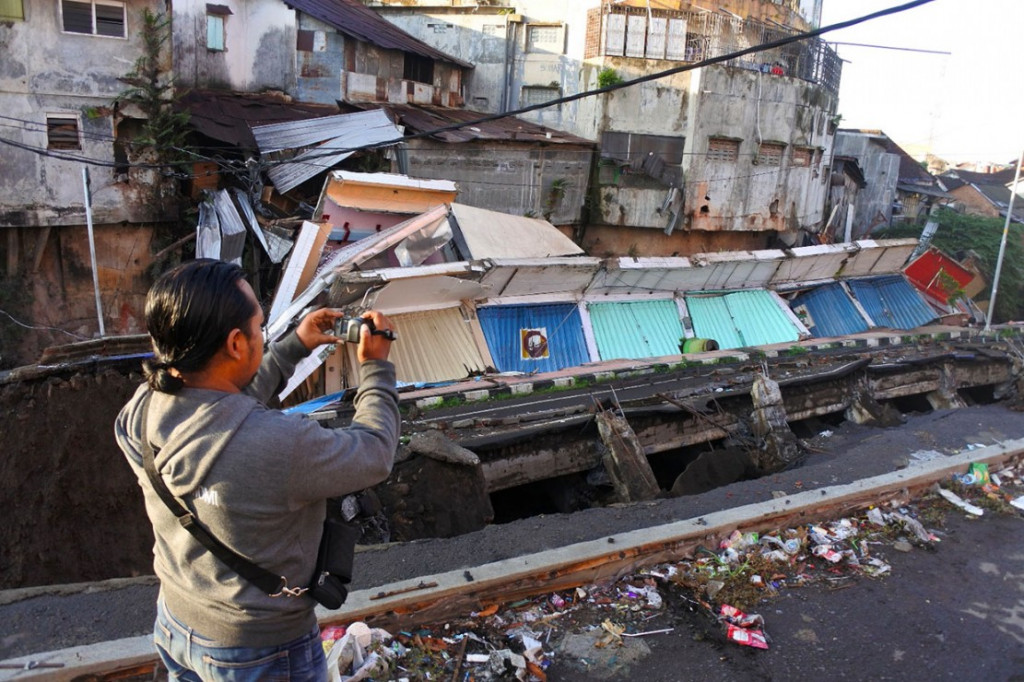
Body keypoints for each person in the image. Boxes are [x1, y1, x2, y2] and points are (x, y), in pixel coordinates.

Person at [115, 259, 400, 681]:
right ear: (235, 343)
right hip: (260, 650)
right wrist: (376, 368)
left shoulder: (139, 412)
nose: (263, 337)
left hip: (176, 620)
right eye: (260, 328)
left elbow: (221, 408)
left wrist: (294, 345)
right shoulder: (281, 445)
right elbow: (375, 452)